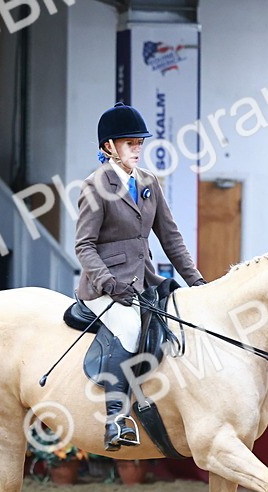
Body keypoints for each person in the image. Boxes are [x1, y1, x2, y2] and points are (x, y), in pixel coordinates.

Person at [75, 102, 207, 450]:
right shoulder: (95, 186)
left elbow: (171, 238)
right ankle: (115, 419)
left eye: (139, 143)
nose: (137, 149)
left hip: (143, 280)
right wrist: (109, 283)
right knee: (130, 327)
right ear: (108, 146)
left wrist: (197, 283)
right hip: (106, 286)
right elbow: (84, 246)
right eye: (129, 143)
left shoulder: (148, 181)